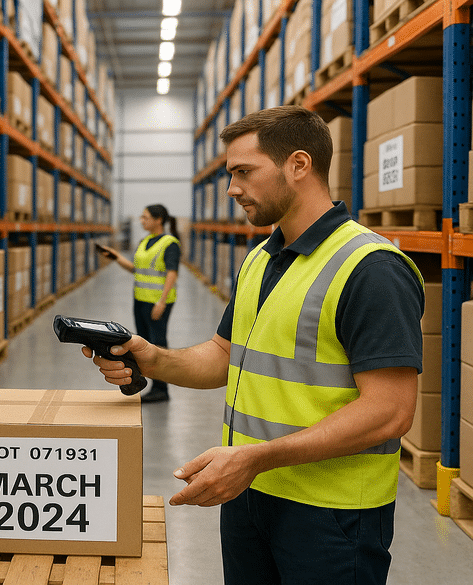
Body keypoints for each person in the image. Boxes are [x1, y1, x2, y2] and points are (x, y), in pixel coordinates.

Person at [83, 106, 424, 584]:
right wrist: (152, 357)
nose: (232, 189)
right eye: (230, 174)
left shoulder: (370, 268)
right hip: (249, 496)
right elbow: (225, 355)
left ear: (299, 165)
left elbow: (391, 411)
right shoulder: (261, 259)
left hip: (331, 514)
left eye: (244, 172)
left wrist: (255, 458)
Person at [96, 204, 180, 402]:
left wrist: (161, 302)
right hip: (140, 299)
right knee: (143, 343)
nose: (142, 221)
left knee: (158, 343)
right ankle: (152, 384)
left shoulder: (170, 243)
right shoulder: (145, 241)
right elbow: (137, 270)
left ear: (158, 220)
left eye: (145, 217)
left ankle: (161, 389)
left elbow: (172, 273)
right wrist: (115, 257)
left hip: (157, 302)